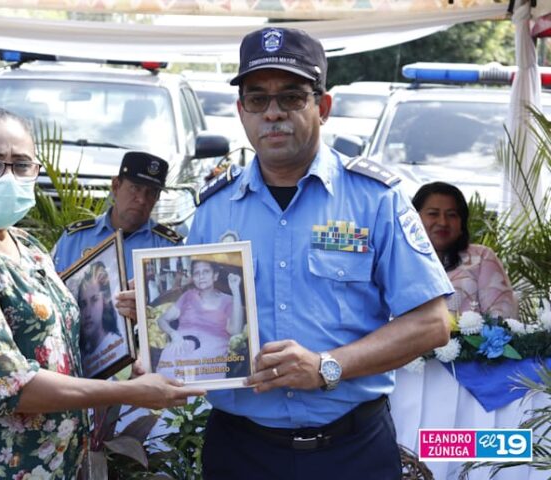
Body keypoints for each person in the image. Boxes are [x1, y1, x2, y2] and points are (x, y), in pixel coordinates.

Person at [186, 27, 453, 479]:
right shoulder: (213, 210)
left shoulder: (375, 199)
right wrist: (153, 320)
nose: (273, 114)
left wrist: (327, 366)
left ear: (322, 107)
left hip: (351, 451)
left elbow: (431, 324)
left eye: (291, 97)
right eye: (257, 99)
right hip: (240, 450)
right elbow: (198, 321)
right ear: (241, 112)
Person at [0, 107, 204, 479]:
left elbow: (70, 346)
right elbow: (3, 386)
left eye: (21, 165)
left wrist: (139, 339)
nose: (8, 177)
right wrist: (130, 393)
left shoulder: (28, 247)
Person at [53, 151, 183, 281]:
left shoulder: (168, 246)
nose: (142, 199)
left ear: (157, 198)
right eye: (135, 188)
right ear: (116, 186)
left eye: (151, 193)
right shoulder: (75, 238)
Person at [413, 181, 518, 318]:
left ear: (461, 223)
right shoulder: (396, 262)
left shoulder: (481, 258)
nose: (443, 222)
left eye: (451, 215)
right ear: (414, 218)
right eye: (433, 214)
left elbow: (503, 321)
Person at [155, 259, 243, 381]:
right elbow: (162, 320)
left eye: (206, 271)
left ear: (215, 275)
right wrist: (173, 334)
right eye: (197, 273)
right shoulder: (188, 296)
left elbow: (235, 330)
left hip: (211, 350)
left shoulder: (228, 300)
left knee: (194, 373)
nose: (201, 276)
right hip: (182, 343)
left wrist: (235, 291)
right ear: (193, 278)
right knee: (168, 364)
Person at [78, 260, 125, 377]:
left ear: (104, 301)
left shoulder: (119, 348)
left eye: (94, 300)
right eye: (83, 304)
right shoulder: (82, 356)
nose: (87, 313)